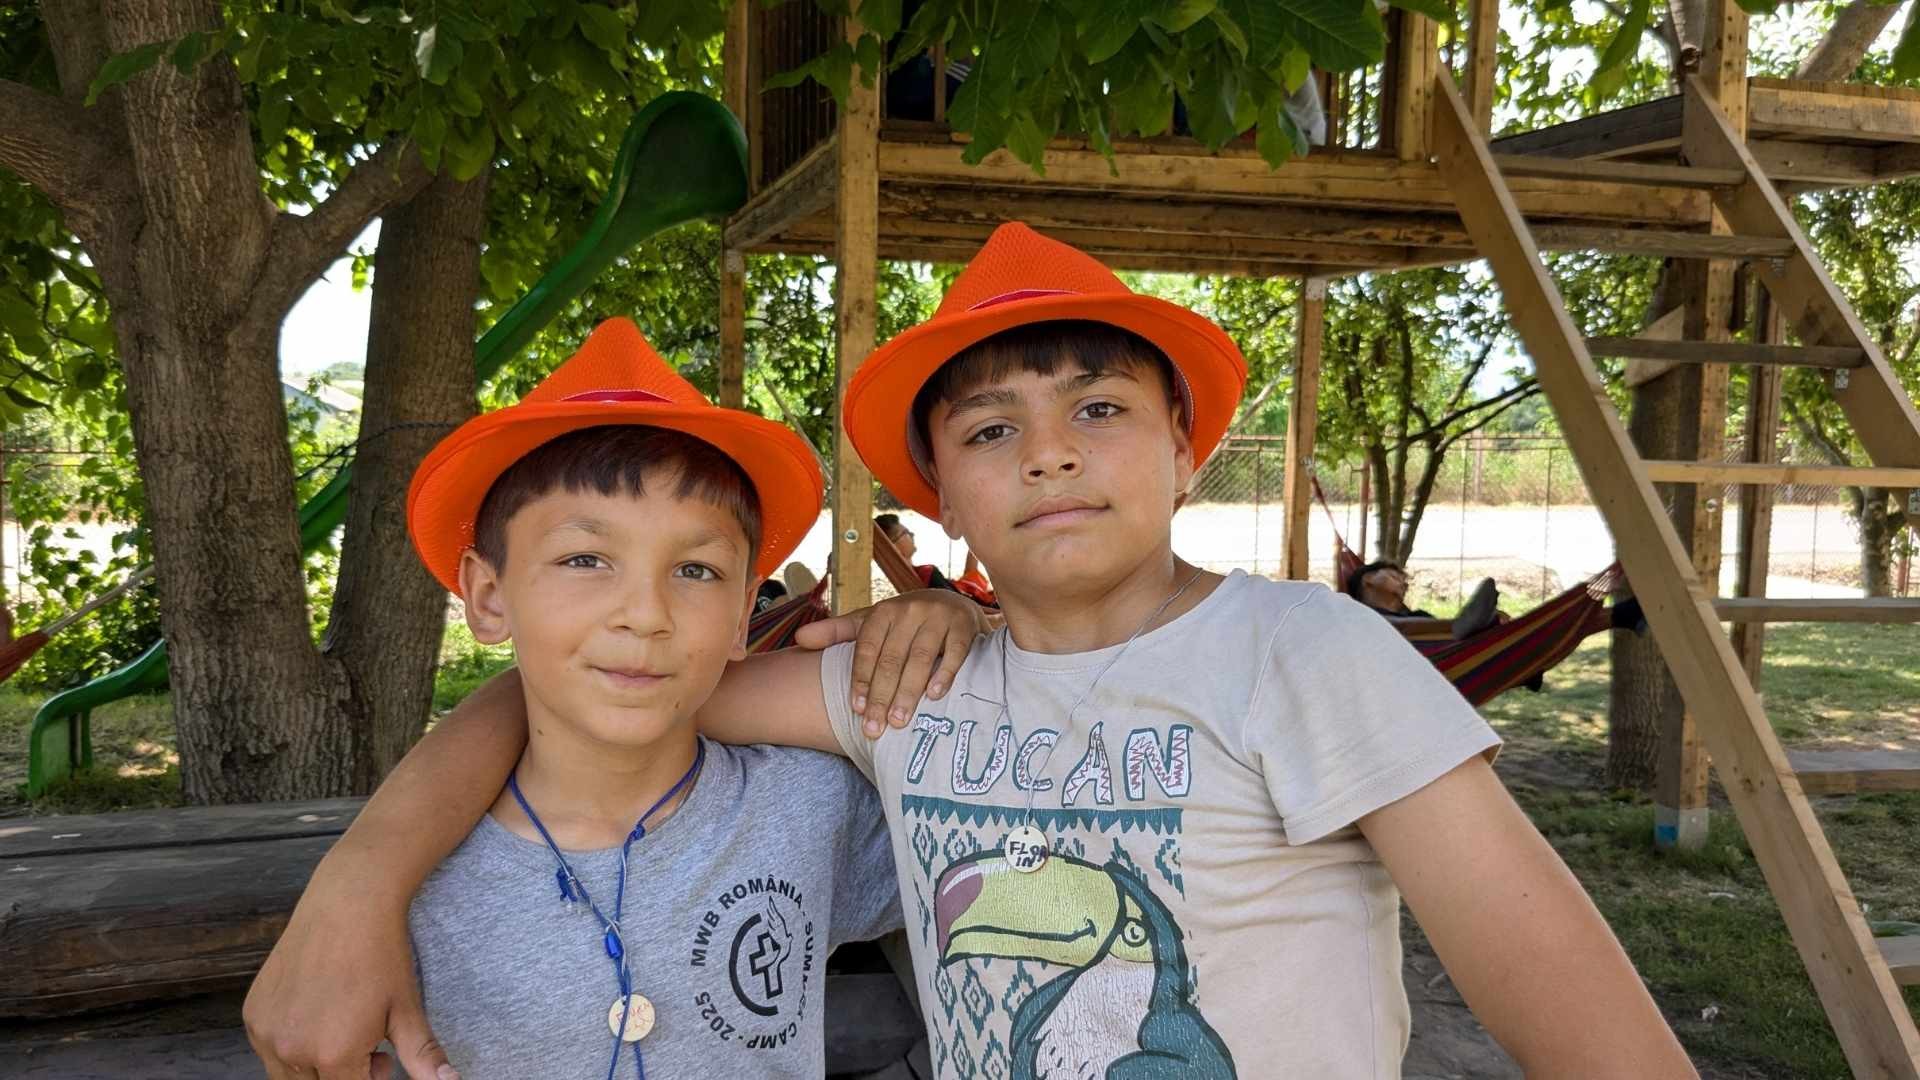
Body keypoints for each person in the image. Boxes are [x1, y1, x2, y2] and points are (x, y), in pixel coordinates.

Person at [250, 229, 1696, 1077]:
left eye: (1101, 411)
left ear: (1188, 451)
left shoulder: (1303, 650)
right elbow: (598, 680)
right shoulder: (902, 688)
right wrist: (365, 872)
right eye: (993, 429)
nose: (1052, 453)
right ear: (940, 490)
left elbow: (1545, 974)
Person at [244, 318, 989, 1080]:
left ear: (743, 614)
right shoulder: (416, 885)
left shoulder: (814, 809)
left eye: (695, 570)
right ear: (489, 595)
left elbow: (1023, 811)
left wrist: (967, 625)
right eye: (584, 558)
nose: (645, 612)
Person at [1348, 559, 1504, 640]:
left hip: (1440, 661)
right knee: (1375, 622)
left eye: (1405, 582)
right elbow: (1398, 628)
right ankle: (1459, 624)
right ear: (1368, 579)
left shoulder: (1420, 616)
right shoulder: (1354, 616)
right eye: (1394, 576)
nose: (1404, 584)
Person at [874, 511, 997, 606]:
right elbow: (961, 605)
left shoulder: (916, 575)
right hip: (987, 607)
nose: (912, 534)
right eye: (905, 533)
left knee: (971, 574)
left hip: (970, 595)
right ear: (894, 546)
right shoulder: (927, 573)